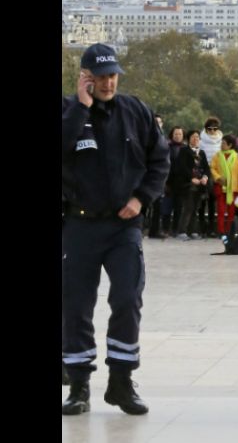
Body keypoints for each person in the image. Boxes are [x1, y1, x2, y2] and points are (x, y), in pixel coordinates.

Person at [62, 43, 170, 415]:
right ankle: (78, 385)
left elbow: (160, 160)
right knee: (76, 305)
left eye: (113, 76)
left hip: (124, 227)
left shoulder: (135, 110)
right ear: (85, 77)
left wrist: (141, 198)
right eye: (101, 76)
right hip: (79, 225)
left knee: (127, 298)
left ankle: (121, 381)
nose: (108, 83)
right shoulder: (68, 111)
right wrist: (81, 107)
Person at [210, 134, 238, 235]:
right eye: (221, 143)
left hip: (233, 188)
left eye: (224, 143)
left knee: (231, 211)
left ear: (230, 145)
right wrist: (218, 177)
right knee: (221, 210)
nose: (222, 145)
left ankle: (230, 230)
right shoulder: (217, 156)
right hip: (220, 186)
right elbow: (212, 168)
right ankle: (221, 230)